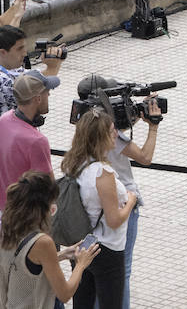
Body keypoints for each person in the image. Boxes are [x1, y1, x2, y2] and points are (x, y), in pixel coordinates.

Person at [74, 73, 161, 308]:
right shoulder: (106, 160)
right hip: (117, 208)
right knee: (120, 273)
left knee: (90, 276)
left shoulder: (84, 127)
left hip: (89, 215)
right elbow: (145, 157)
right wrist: (153, 127)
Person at [62, 110, 139, 309]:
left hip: (84, 243)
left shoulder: (76, 163)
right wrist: (131, 200)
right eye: (112, 131)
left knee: (83, 302)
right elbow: (114, 220)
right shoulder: (102, 172)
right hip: (108, 248)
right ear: (100, 137)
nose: (116, 134)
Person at [0, 171, 100, 308]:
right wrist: (81, 264)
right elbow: (64, 294)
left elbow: (25, 263)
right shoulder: (42, 242)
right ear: (43, 207)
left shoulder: (7, 229)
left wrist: (61, 255)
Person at [0, 71, 58, 210]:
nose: (49, 95)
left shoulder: (3, 120)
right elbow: (49, 188)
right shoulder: (37, 141)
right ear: (38, 99)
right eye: (47, 92)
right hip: (25, 216)